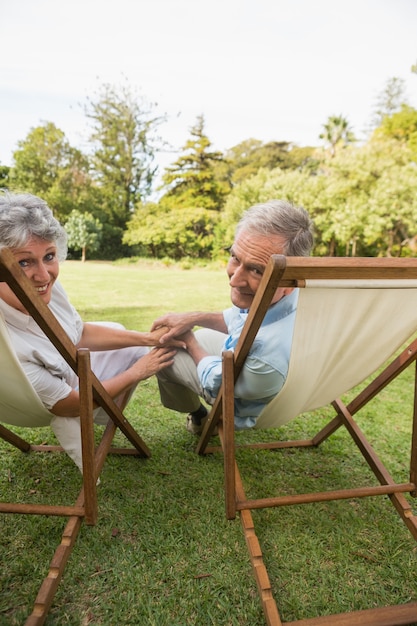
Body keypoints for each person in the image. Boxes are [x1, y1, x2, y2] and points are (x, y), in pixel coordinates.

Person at [0, 190, 181, 469]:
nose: (43, 276)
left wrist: (145, 338)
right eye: (24, 262)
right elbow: (70, 406)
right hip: (40, 405)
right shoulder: (8, 343)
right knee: (134, 358)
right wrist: (138, 371)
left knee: (126, 338)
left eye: (49, 256)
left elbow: (78, 333)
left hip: (68, 375)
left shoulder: (47, 285)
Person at [151, 199, 314, 434]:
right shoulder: (300, 300)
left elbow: (219, 383)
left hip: (240, 405)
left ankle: (199, 415)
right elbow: (237, 319)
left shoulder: (268, 352)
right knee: (206, 332)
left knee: (164, 352)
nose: (234, 280)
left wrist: (190, 341)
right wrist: (193, 318)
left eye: (256, 270)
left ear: (290, 283)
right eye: (235, 258)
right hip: (281, 381)